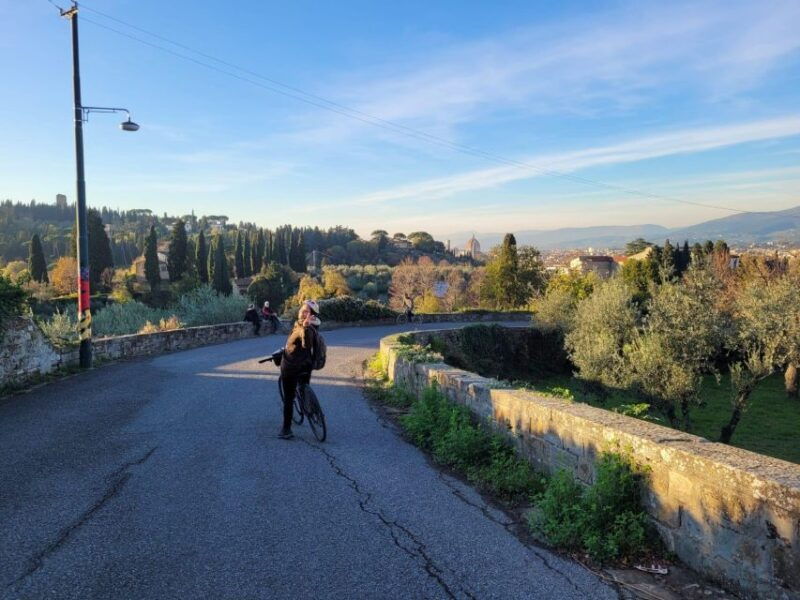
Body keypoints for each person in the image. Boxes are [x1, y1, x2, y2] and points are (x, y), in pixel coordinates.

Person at [278, 300, 322, 439]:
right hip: (306, 365)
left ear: (311, 315)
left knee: (289, 398)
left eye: (306, 311)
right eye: (302, 310)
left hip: (292, 367)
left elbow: (306, 344)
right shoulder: (315, 326)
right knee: (303, 387)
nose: (302, 312)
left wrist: (305, 327)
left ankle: (286, 430)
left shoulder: (305, 327)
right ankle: (311, 408)